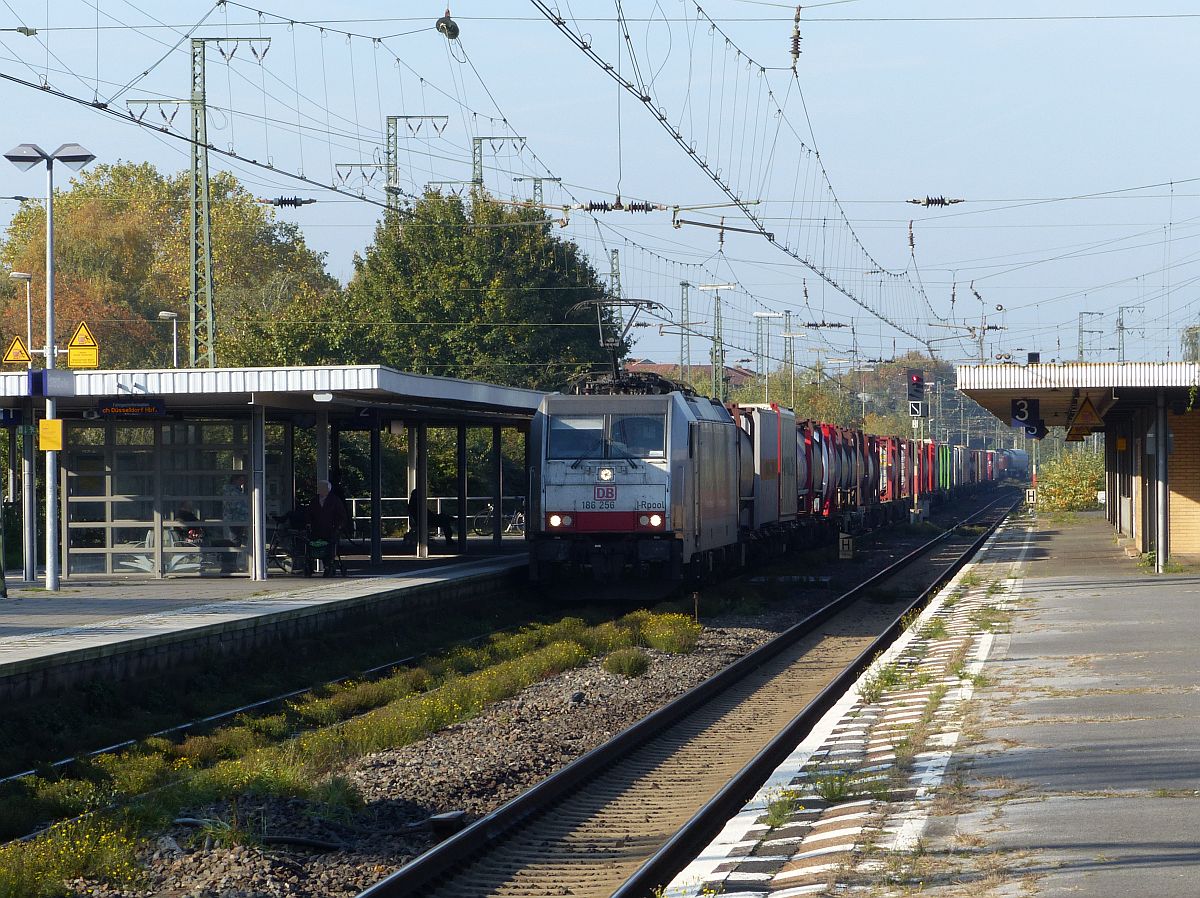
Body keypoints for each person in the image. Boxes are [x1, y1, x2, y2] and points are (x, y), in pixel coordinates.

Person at [308, 479, 348, 576]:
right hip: (316, 529)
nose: (320, 490)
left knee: (329, 548)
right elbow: (309, 514)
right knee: (314, 547)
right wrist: (308, 523)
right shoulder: (314, 501)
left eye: (323, 488)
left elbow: (342, 515)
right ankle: (310, 566)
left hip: (331, 529)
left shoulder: (335, 500)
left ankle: (328, 566)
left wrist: (338, 527)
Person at [221, 473, 249, 545]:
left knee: (236, 541)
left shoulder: (235, 491)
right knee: (234, 542)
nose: (243, 482)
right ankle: (232, 556)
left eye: (243, 480)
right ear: (235, 480)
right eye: (241, 479)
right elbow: (236, 506)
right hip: (234, 520)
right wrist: (249, 510)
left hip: (236, 520)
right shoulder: (233, 492)